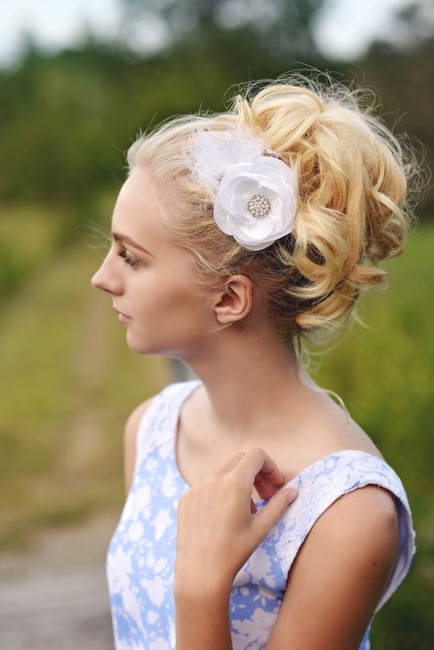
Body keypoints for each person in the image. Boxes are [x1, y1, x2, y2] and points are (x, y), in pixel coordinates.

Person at [91, 77, 418, 650]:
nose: (102, 278)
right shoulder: (151, 429)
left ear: (229, 300)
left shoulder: (348, 513)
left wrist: (200, 590)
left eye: (130, 257)